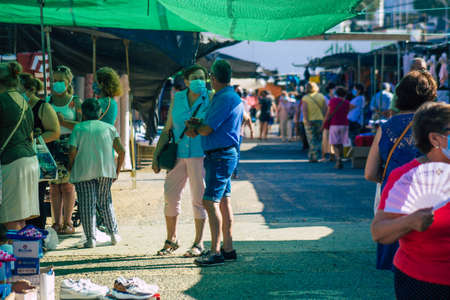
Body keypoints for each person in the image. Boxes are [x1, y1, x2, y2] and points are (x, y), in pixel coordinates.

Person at [371, 102, 450, 299]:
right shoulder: (407, 178)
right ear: (435, 139)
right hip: (423, 283)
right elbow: (379, 232)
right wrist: (409, 221)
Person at [365, 70, 437, 270]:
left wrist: (392, 176)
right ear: (430, 97)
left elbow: (369, 173)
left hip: (393, 199)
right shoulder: (437, 127)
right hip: (429, 199)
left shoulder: (385, 127)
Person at [185, 60, 244, 266]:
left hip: (219, 154)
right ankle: (227, 248)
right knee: (224, 201)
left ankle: (216, 250)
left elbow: (209, 128)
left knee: (210, 202)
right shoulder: (231, 96)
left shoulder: (223, 98)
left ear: (213, 77)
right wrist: (199, 126)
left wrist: (196, 127)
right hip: (225, 153)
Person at [152, 64, 209, 257]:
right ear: (186, 81)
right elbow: (168, 128)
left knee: (199, 198)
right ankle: (171, 239)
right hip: (177, 154)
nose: (199, 81)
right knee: (170, 196)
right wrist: (156, 156)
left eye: (202, 77)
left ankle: (199, 242)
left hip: (200, 155)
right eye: (195, 78)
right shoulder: (178, 98)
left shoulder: (210, 98)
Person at [68, 98, 125, 248]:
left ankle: (91, 239)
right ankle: (113, 235)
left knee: (87, 205)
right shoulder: (109, 128)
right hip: (106, 171)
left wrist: (70, 168)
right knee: (105, 202)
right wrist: (116, 171)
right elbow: (122, 151)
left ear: (82, 112)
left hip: (83, 171)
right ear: (99, 112)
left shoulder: (78, 128)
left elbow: (72, 153)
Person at [0, 61, 39, 230]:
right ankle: (21, 253)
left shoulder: (2, 100)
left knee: (11, 215)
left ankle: (10, 254)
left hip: (12, 162)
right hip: (29, 160)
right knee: (21, 216)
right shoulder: (24, 102)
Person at [19, 73, 60, 229]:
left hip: (38, 161)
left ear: (30, 90)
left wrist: (33, 140)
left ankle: (37, 235)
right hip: (22, 159)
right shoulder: (19, 106)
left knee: (37, 198)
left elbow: (54, 132)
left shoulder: (43, 107)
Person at [48, 65, 82, 235]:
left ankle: (68, 222)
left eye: (61, 80)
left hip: (70, 146)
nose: (57, 84)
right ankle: (56, 222)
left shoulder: (75, 101)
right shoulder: (48, 101)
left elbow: (82, 124)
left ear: (68, 82)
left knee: (68, 186)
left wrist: (62, 122)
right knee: (54, 187)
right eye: (55, 80)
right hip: (52, 147)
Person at [323, 86, 353, 169]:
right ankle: (340, 157)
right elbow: (349, 110)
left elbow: (328, 113)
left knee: (334, 143)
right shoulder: (347, 102)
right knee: (342, 142)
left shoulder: (332, 101)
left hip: (334, 124)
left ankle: (338, 159)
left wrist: (324, 123)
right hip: (344, 124)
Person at [302, 82, 327, 162]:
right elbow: (325, 110)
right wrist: (324, 120)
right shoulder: (321, 96)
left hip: (310, 120)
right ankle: (315, 155)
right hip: (320, 120)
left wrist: (306, 120)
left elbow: (305, 110)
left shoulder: (305, 98)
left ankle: (314, 156)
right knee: (319, 138)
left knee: (311, 139)